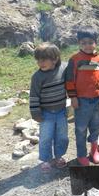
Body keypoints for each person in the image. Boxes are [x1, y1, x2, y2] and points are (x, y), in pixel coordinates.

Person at [66, 27, 99, 166]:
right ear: (79, 43)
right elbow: (69, 80)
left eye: (90, 42)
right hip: (82, 101)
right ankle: (81, 154)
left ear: (96, 42)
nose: (87, 46)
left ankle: (94, 151)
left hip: (97, 100)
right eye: (83, 43)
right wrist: (73, 97)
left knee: (96, 126)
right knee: (81, 129)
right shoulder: (75, 60)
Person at [29, 42, 69, 172]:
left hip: (62, 111)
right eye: (38, 60)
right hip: (46, 114)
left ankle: (58, 156)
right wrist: (35, 113)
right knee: (46, 137)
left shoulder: (63, 69)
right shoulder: (37, 77)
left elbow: (75, 70)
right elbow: (34, 96)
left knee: (62, 136)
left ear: (55, 59)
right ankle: (46, 159)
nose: (40, 63)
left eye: (44, 59)